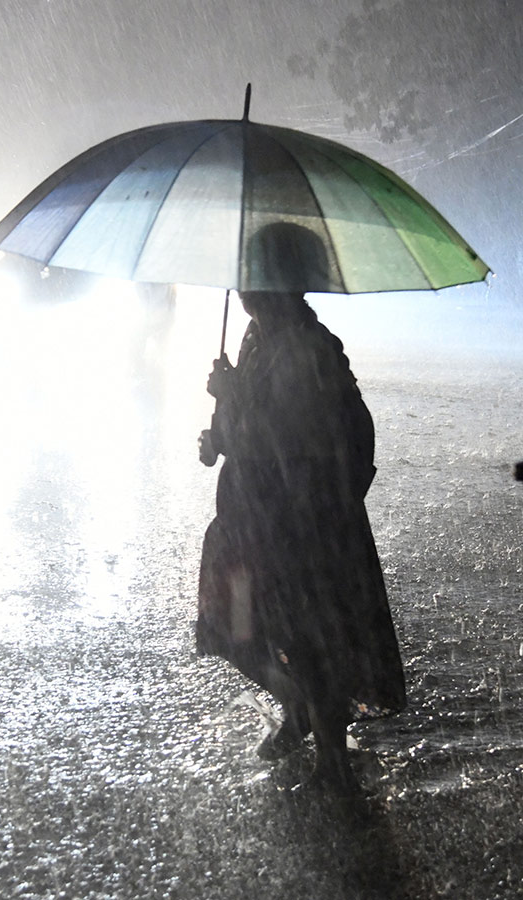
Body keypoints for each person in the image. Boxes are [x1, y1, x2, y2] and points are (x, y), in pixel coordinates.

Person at [196, 222, 406, 794]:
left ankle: (332, 759)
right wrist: (218, 433)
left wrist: (234, 401)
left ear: (283, 283)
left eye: (254, 277)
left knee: (309, 636)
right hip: (248, 517)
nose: (243, 291)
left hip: (300, 524)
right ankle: (297, 708)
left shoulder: (309, 350)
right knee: (231, 627)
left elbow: (294, 443)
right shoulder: (254, 339)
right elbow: (244, 433)